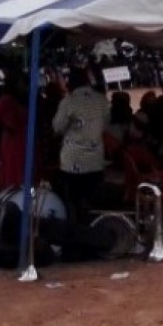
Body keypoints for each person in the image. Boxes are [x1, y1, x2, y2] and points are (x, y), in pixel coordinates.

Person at [52, 67, 109, 219]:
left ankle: (76, 227)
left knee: (73, 199)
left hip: (73, 161)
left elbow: (57, 127)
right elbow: (106, 124)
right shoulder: (101, 99)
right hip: (95, 160)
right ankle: (93, 226)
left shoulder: (69, 101)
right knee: (94, 198)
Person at [0, 78, 29, 192]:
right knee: (13, 171)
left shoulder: (24, 100)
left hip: (24, 138)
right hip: (13, 140)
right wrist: (6, 126)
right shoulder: (7, 100)